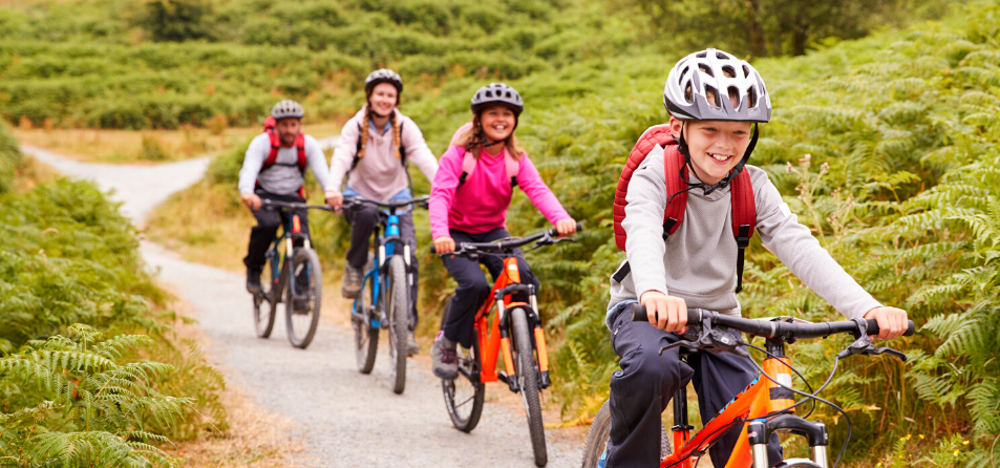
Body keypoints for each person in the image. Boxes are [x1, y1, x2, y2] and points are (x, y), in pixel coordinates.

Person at [604, 48, 911, 468]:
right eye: (710, 129)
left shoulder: (753, 187)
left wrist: (868, 308)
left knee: (753, 428)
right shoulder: (656, 172)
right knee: (651, 371)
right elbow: (640, 228)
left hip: (719, 320)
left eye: (739, 133)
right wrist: (654, 291)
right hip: (644, 309)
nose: (724, 145)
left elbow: (799, 246)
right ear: (679, 127)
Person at [428, 83, 577, 379]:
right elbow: (440, 194)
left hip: (493, 231)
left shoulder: (515, 159)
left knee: (523, 279)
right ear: (479, 119)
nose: (500, 119)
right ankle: (446, 342)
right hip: (456, 233)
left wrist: (561, 218)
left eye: (507, 114)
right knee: (474, 286)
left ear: (515, 119)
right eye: (492, 113)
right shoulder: (459, 156)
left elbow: (538, 189)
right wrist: (441, 234)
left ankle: (526, 347)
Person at [325, 69, 438, 355]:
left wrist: (442, 188)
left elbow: (423, 156)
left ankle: (407, 328)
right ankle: (355, 265)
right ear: (370, 96)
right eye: (380, 94)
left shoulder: (405, 126)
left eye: (390, 95)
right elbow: (341, 156)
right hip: (360, 194)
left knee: (408, 257)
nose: (385, 99)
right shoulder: (355, 126)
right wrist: (332, 188)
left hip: (397, 195)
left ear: (396, 99)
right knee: (365, 214)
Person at [239, 100, 330, 294]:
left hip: (292, 197)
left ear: (299, 125)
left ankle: (302, 291)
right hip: (264, 196)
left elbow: (324, 174)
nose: (289, 130)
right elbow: (249, 170)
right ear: (276, 125)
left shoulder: (308, 145)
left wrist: (332, 194)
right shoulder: (262, 143)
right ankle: (254, 269)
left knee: (303, 239)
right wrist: (247, 192)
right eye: (284, 125)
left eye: (293, 125)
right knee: (267, 226)